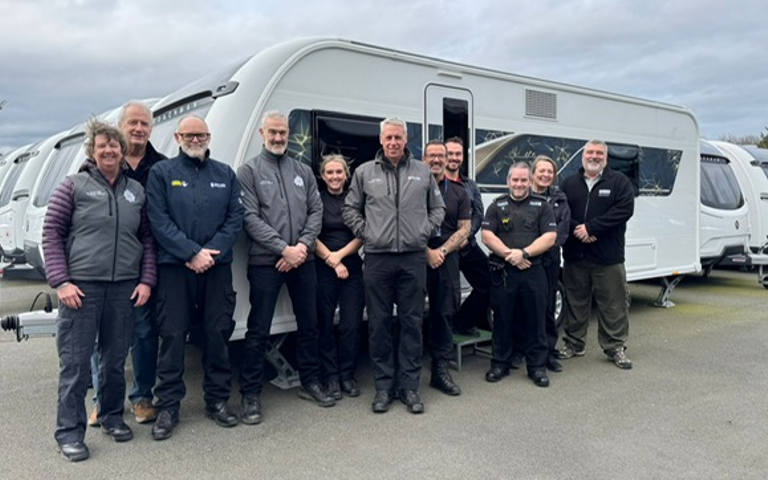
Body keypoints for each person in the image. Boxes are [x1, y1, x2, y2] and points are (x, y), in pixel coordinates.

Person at [43, 119, 156, 462]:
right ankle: (69, 433)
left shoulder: (135, 191)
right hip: (81, 288)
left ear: (123, 151)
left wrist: (146, 280)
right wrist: (61, 281)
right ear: (92, 150)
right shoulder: (73, 186)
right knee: (76, 364)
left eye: (114, 145)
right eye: (102, 145)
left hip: (124, 288)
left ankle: (111, 417)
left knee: (114, 360)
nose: (109, 150)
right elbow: (52, 233)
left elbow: (147, 239)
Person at [146, 115, 244, 441]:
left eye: (200, 134)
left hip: (216, 268)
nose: (195, 140)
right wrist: (190, 252)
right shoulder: (162, 173)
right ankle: (168, 407)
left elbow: (235, 218)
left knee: (217, 334)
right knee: (172, 336)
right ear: (177, 137)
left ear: (209, 137)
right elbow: (158, 219)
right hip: (175, 269)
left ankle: (217, 401)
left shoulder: (225, 174)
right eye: (188, 135)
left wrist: (210, 253)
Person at [237, 110, 335, 426]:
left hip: (303, 260)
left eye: (283, 132)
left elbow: (316, 211)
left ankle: (310, 381)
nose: (278, 137)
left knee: (310, 324)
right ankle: (250, 394)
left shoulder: (303, 170)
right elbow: (249, 218)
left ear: (288, 135)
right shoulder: (249, 171)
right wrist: (284, 249)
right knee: (258, 329)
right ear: (262, 134)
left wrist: (302, 247)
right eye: (273, 132)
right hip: (266, 262)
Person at [343, 117, 445, 414]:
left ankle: (410, 388)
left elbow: (438, 208)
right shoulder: (365, 172)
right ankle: (384, 387)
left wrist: (423, 232)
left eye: (398, 137)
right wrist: (368, 233)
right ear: (381, 140)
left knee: (412, 324)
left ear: (406, 138)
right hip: (378, 258)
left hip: (413, 258)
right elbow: (350, 208)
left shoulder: (422, 171)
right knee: (379, 325)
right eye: (388, 137)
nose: (393, 142)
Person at [88, 100, 166, 427]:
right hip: (103, 266)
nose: (138, 129)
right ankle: (103, 400)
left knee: (144, 333)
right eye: (132, 122)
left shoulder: (162, 166)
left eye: (144, 123)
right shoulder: (98, 167)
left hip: (144, 264)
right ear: (120, 127)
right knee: (103, 337)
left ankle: (142, 397)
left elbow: (154, 227)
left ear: (151, 129)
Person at [558, 140, 635, 369]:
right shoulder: (569, 183)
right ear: (583, 156)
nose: (594, 156)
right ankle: (574, 344)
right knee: (575, 303)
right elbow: (560, 211)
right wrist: (578, 229)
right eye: (590, 152)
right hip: (575, 255)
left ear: (606, 157)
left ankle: (615, 347)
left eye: (599, 153)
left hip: (608, 258)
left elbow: (624, 210)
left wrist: (592, 228)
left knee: (613, 304)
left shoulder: (619, 182)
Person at [482, 162, 556, 388]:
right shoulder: (496, 206)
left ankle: (537, 367)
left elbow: (550, 237)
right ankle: (499, 363)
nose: (519, 184)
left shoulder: (542, 206)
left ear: (530, 181)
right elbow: (487, 235)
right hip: (505, 272)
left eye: (524, 180)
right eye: (515, 180)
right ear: (508, 181)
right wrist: (510, 255)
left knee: (536, 320)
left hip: (534, 270)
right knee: (502, 319)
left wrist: (523, 253)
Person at [314, 154, 365, 399]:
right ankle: (331, 377)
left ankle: (347, 375)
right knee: (324, 323)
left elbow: (363, 234)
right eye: (329, 172)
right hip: (323, 267)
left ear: (346, 175)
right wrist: (331, 260)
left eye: (339, 172)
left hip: (351, 267)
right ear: (322, 176)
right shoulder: (316, 201)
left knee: (350, 325)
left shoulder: (355, 201)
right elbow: (310, 235)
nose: (334, 177)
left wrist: (340, 257)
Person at [423, 140, 470, 396]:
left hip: (447, 255)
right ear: (423, 159)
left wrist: (441, 252)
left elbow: (465, 228)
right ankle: (405, 370)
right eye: (431, 155)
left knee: (443, 312)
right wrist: (426, 252)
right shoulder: (414, 188)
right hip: (416, 253)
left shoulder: (459, 192)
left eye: (441, 156)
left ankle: (440, 370)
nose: (437, 160)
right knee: (409, 312)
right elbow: (404, 224)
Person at [444, 137, 491, 335]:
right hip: (444, 249)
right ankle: (442, 336)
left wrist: (466, 235)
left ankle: (462, 322)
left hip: (467, 246)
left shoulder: (470, 185)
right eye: (450, 154)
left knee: (490, 282)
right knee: (447, 294)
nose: (454, 158)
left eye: (458, 154)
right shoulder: (435, 183)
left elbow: (479, 214)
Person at [531, 156, 571, 372]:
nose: (545, 175)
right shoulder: (522, 195)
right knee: (523, 305)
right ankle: (522, 350)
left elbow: (562, 229)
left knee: (548, 305)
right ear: (533, 173)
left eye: (550, 172)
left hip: (550, 258)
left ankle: (548, 352)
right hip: (527, 259)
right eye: (542, 171)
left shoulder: (560, 199)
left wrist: (544, 246)